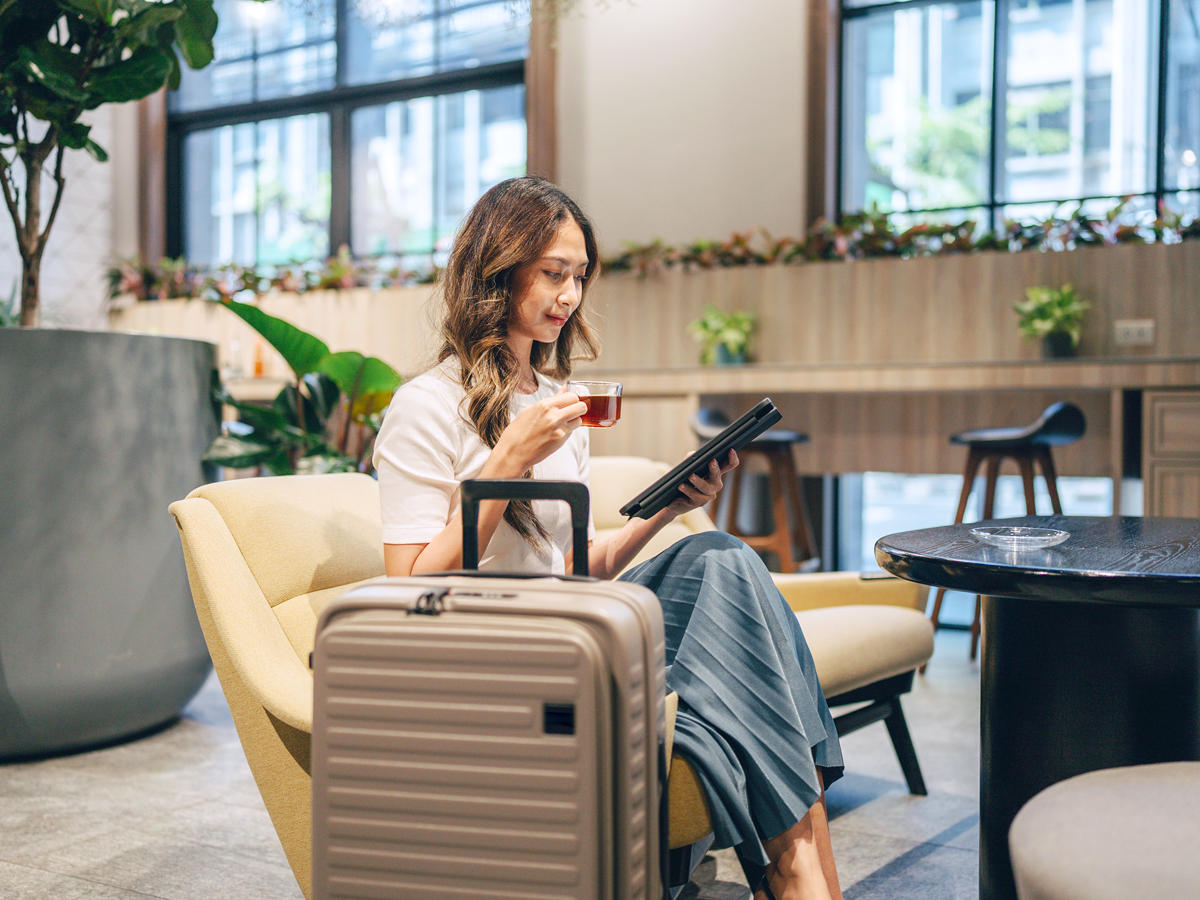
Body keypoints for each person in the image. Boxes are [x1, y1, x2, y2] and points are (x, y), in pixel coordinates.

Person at [373, 175, 844, 900]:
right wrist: (505, 464)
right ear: (498, 271)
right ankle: (795, 872)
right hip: (492, 649)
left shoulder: (557, 406)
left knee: (720, 555)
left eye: (580, 276)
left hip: (573, 619)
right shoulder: (426, 406)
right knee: (725, 578)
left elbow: (571, 568)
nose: (570, 296)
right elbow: (406, 588)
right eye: (553, 273)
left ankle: (799, 868)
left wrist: (662, 514)